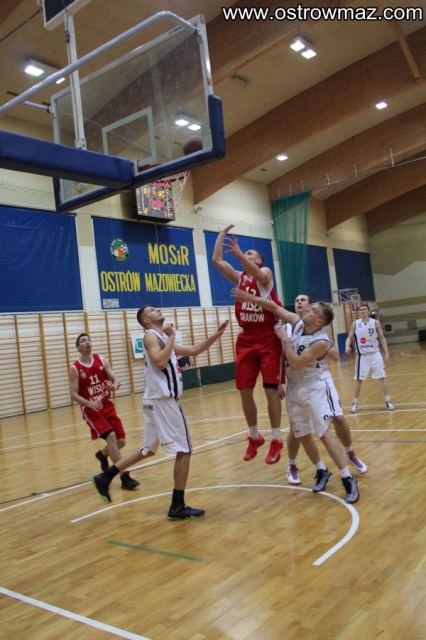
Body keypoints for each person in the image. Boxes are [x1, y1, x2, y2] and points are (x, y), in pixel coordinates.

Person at [91, 305, 229, 520]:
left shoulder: (162, 338)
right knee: (184, 450)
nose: (158, 310)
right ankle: (177, 505)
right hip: (164, 401)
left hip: (154, 401)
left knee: (148, 450)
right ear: (147, 320)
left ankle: (105, 477)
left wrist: (216, 335)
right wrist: (172, 336)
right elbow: (160, 361)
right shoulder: (151, 336)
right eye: (153, 310)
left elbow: (194, 350)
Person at [232, 288, 360, 504]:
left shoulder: (321, 341)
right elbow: (274, 307)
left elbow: (296, 362)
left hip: (315, 387)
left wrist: (284, 340)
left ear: (319, 321)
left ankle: (348, 479)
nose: (307, 310)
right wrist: (250, 298)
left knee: (325, 435)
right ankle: (321, 470)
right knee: (302, 434)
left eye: (313, 310)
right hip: (295, 387)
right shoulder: (298, 322)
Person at [212, 224, 284, 465]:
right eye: (246, 254)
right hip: (246, 338)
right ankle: (254, 436)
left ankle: (276, 440)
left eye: (251, 254)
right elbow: (216, 260)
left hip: (268, 337)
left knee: (270, 390)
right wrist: (221, 234)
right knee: (244, 389)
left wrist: (240, 254)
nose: (246, 255)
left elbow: (260, 275)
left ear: (259, 260)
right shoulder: (239, 277)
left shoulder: (266, 274)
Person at [285, 294, 367, 485]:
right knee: (296, 431)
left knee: (337, 419)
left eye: (304, 301)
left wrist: (315, 347)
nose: (300, 304)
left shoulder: (318, 332)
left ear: (310, 306)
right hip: (295, 384)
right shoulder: (289, 327)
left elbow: (334, 355)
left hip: (318, 380)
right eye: (296, 301)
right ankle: (295, 465)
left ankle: (350, 453)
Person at [69, 333, 140, 491]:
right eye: (83, 341)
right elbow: (73, 394)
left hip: (107, 405)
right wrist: (88, 403)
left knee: (121, 441)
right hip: (92, 410)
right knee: (112, 437)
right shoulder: (75, 368)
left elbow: (116, 379)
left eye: (89, 340)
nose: (87, 342)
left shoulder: (101, 359)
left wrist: (114, 386)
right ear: (78, 347)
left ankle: (102, 455)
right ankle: (124, 476)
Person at [345, 302, 395, 413]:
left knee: (382, 377)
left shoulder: (375, 323)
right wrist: (347, 346)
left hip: (375, 354)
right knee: (358, 380)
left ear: (368, 311)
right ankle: (355, 403)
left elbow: (382, 338)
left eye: (364, 309)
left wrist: (386, 353)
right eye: (360, 309)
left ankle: (388, 401)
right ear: (359, 312)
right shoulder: (355, 324)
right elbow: (349, 337)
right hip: (362, 356)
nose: (362, 311)